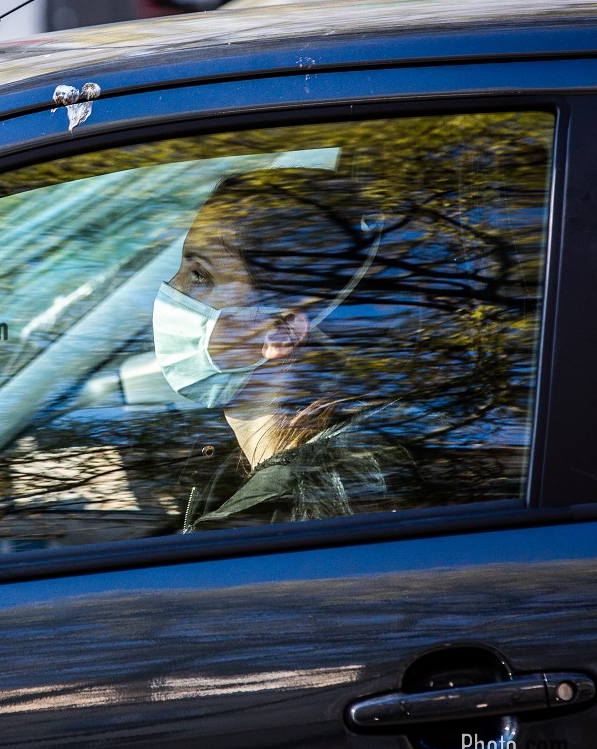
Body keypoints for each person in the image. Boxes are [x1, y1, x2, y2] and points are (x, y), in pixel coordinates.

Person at [150, 168, 421, 531]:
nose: (171, 289)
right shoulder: (237, 476)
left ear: (280, 332)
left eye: (200, 275)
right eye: (181, 269)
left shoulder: (310, 516)